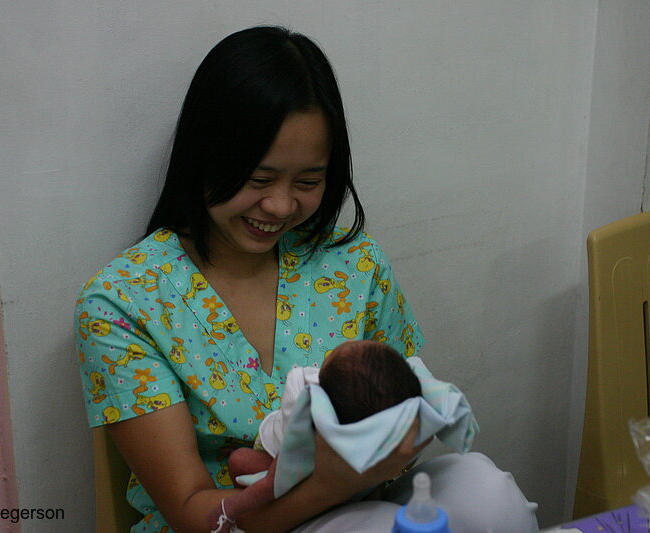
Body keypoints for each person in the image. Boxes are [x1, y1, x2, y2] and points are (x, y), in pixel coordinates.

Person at [76, 25, 539, 533]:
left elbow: (403, 399)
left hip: (369, 497)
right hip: (237, 525)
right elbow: (190, 513)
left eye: (308, 182)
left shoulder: (354, 264)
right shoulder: (125, 302)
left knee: (486, 493)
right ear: (204, 155)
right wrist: (329, 485)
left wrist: (405, 437)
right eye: (258, 179)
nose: (279, 206)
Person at [208, 340, 423, 532]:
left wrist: (230, 509)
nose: (348, 344)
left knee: (241, 462)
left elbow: (273, 477)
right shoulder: (373, 420)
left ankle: (232, 509)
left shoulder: (305, 394)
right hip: (343, 485)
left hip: (280, 461)